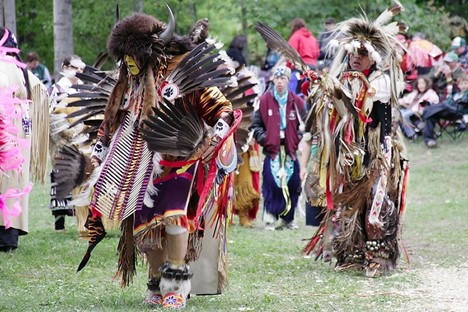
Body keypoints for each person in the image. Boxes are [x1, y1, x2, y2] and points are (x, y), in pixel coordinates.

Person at [75, 11, 238, 309]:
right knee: (146, 226)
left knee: (175, 217)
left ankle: (176, 284)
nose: (127, 63)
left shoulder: (183, 72)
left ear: (148, 51)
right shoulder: (128, 80)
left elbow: (223, 109)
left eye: (132, 56)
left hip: (179, 160)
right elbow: (110, 120)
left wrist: (214, 138)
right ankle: (155, 281)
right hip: (136, 166)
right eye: (123, 58)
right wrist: (99, 151)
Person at [300, 3, 409, 277]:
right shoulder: (342, 79)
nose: (356, 58)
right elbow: (334, 112)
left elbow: (362, 104)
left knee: (376, 202)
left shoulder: (382, 82)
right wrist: (322, 92)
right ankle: (352, 254)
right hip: (348, 153)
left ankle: (379, 258)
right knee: (347, 204)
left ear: (372, 58)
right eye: (352, 53)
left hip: (377, 151)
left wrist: (336, 91)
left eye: (362, 53)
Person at [0, 27, 49, 252]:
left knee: (6, 180)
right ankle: (11, 235)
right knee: (15, 181)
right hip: (21, 129)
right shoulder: (19, 68)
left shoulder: (3, 65)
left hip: (7, 129)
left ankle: (6, 237)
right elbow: (41, 92)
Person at [250, 66, 306, 230]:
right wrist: (266, 139)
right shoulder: (264, 100)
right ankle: (271, 218)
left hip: (290, 150)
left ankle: (289, 219)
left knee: (293, 182)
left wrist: (297, 138)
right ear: (273, 80)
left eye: (283, 79)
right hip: (272, 150)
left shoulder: (297, 101)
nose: (280, 82)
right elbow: (256, 126)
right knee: (271, 183)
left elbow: (306, 126)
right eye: (277, 78)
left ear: (288, 81)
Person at [48, 55, 86, 232]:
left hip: (81, 141)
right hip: (62, 142)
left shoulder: (83, 89)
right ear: (64, 67)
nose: (79, 71)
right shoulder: (58, 89)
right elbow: (52, 117)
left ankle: (82, 218)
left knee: (81, 179)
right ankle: (60, 222)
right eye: (74, 67)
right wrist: (64, 136)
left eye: (81, 68)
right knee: (62, 178)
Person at [422, 74, 468, 148]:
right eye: (461, 84)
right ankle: (430, 140)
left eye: (466, 83)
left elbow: (463, 103)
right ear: (458, 85)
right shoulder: (455, 94)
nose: (463, 86)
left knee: (434, 108)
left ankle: (425, 112)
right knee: (432, 115)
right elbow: (447, 102)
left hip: (458, 112)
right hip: (447, 112)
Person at [287, 18, 320, 95]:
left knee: (296, 93)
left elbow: (290, 54)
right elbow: (317, 54)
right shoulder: (312, 38)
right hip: (312, 68)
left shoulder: (295, 36)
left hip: (299, 67)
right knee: (310, 92)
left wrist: (288, 67)